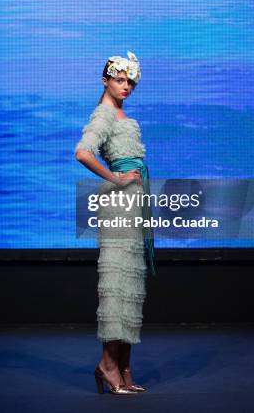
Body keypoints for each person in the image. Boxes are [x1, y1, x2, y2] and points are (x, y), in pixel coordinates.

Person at [74, 51, 156, 395]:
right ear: (106, 80)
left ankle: (123, 365)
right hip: (119, 204)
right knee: (118, 283)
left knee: (131, 285)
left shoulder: (121, 114)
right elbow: (83, 152)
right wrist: (117, 179)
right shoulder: (104, 115)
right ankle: (107, 365)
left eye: (131, 82)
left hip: (134, 205)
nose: (127, 87)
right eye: (120, 80)